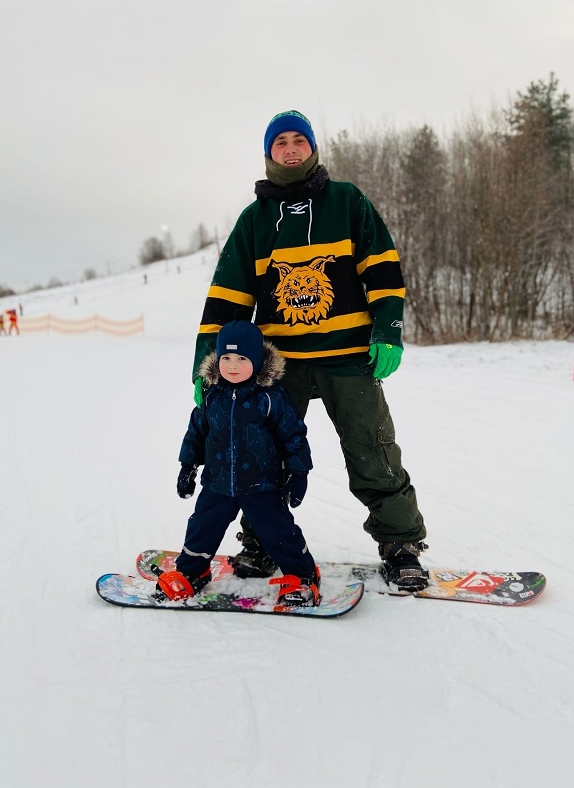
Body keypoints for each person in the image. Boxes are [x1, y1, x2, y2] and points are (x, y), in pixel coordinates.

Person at [191, 110, 428, 591]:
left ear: (313, 149)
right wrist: (209, 363)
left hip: (349, 357)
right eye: (281, 143)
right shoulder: (254, 221)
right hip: (280, 365)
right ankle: (260, 542)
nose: (291, 149)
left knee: (372, 450)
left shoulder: (347, 202)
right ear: (268, 153)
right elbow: (228, 298)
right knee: (263, 454)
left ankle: (400, 544)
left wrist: (388, 330)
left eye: (300, 140)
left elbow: (382, 268)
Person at [157, 319, 320, 608]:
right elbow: (196, 433)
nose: (233, 365)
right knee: (202, 528)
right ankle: (192, 571)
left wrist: (298, 472)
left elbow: (294, 435)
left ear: (257, 361)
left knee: (279, 532)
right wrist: (188, 466)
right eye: (226, 358)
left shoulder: (270, 397)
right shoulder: (211, 396)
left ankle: (303, 575)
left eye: (242, 358)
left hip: (262, 483)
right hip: (217, 482)